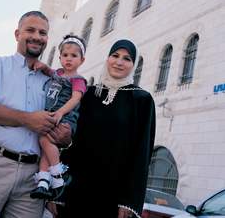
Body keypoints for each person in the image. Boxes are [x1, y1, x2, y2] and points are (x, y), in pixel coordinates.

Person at [0, 11, 72, 218]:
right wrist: (27, 119)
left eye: (43, 32)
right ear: (17, 34)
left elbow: (64, 117)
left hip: (34, 176)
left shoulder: (52, 80)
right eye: (30, 30)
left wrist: (65, 137)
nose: (37, 36)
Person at [48, 39, 156, 218]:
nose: (119, 62)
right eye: (115, 56)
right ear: (107, 59)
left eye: (127, 58)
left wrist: (130, 201)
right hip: (76, 190)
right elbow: (71, 144)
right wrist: (57, 191)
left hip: (114, 196)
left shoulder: (141, 100)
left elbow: (142, 154)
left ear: (134, 65)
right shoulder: (88, 94)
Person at [30, 34, 87, 200]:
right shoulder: (58, 73)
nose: (69, 59)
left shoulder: (78, 80)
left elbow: (76, 98)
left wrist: (61, 112)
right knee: (45, 146)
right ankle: (43, 182)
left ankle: (58, 174)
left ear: (82, 60)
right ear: (60, 57)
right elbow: (49, 70)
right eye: (65, 55)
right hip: (51, 115)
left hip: (65, 118)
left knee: (45, 141)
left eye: (74, 56)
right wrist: (41, 66)